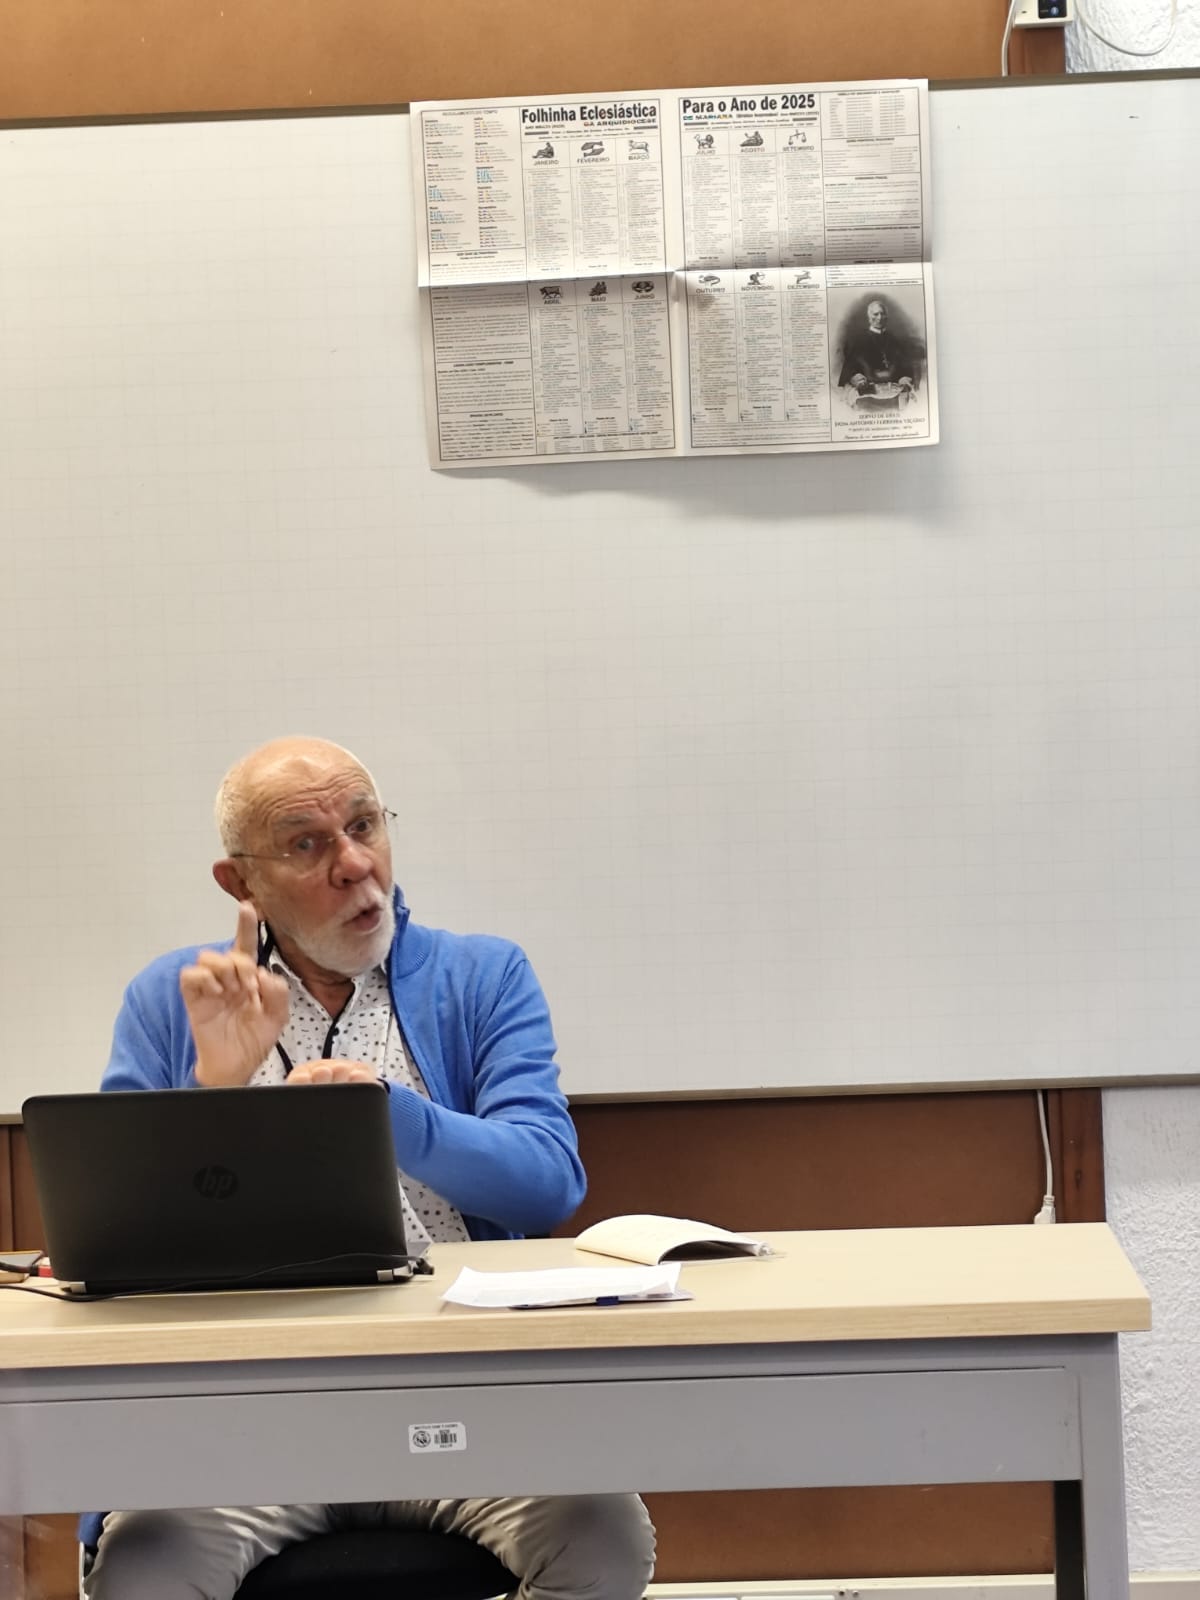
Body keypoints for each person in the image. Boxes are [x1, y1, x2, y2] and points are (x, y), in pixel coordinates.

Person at [82, 735, 656, 1600]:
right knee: (144, 1567)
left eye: (363, 826)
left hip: (456, 1396)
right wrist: (215, 1096)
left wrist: (392, 1116)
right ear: (241, 884)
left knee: (601, 1537)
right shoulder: (176, 997)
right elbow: (114, 1242)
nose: (354, 864)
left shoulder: (481, 976)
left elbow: (546, 1184)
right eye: (307, 844)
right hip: (249, 1414)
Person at [837, 298, 917, 397]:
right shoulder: (858, 341)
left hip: (893, 388)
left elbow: (905, 366)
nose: (879, 318)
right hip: (868, 390)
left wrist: (904, 377)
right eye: (875, 314)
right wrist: (857, 378)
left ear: (886, 316)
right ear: (869, 317)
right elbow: (850, 368)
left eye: (882, 314)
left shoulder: (895, 340)